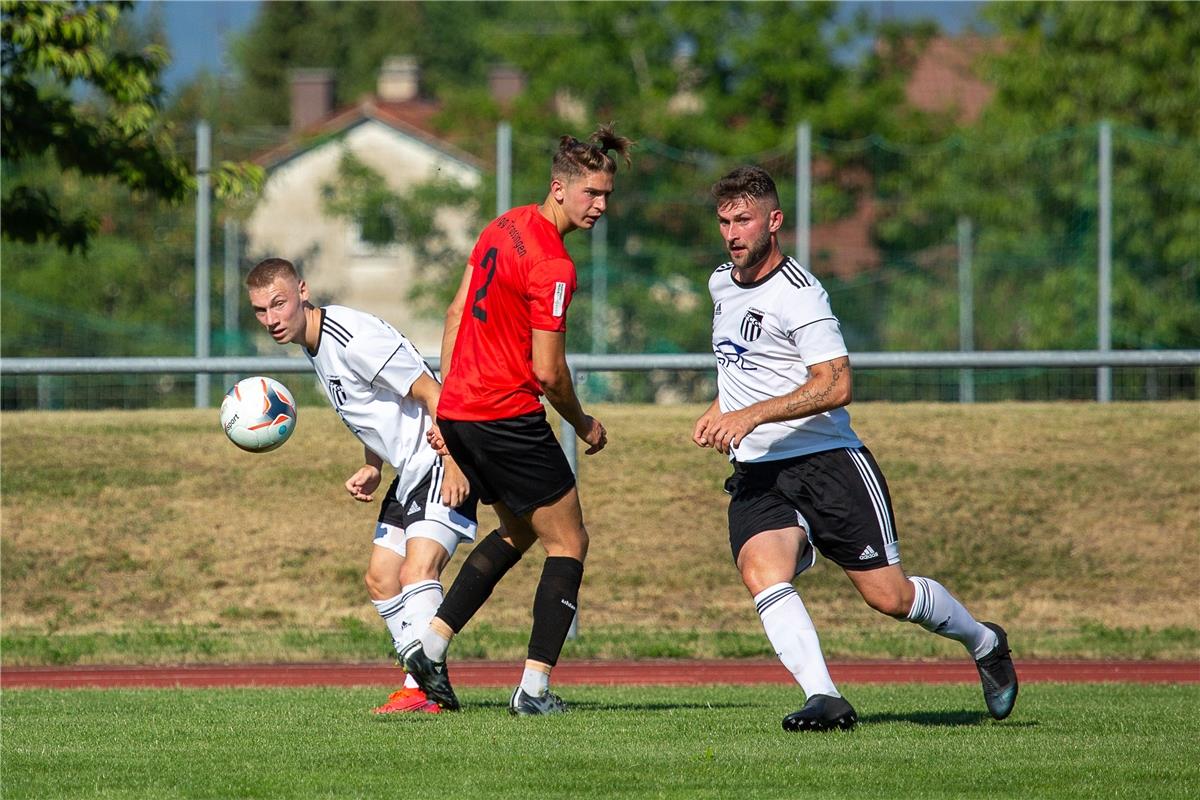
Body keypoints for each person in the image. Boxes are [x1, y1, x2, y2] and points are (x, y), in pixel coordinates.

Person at [692, 166, 1018, 732]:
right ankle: (825, 697)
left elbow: (836, 383)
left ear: (774, 222)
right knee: (761, 570)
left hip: (828, 465)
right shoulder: (721, 282)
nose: (731, 233)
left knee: (890, 598)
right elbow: (749, 367)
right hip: (760, 473)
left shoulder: (801, 294)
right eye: (723, 222)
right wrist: (723, 408)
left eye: (742, 220)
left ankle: (985, 641)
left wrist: (750, 414)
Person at [401, 124, 634, 716]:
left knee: (519, 530)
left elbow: (455, 311)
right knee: (570, 543)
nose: (602, 206)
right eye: (592, 195)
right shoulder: (554, 266)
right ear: (560, 187)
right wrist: (583, 425)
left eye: (607, 195)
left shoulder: (501, 225)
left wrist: (449, 403)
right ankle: (532, 691)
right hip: (506, 414)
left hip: (463, 409)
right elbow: (550, 372)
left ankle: (429, 646)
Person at [245, 257, 479, 715]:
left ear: (303, 292)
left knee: (417, 573)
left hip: (439, 456)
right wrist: (372, 464)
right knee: (380, 580)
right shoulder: (315, 346)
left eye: (279, 304)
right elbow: (375, 407)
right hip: (408, 468)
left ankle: (424, 688)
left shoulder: (348, 337)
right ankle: (422, 684)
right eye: (260, 310)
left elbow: (431, 392)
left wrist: (453, 462)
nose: (272, 319)